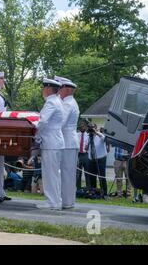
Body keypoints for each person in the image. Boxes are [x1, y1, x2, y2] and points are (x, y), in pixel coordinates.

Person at [35, 78, 65, 210]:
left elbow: (42, 121)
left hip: (50, 142)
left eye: (43, 88)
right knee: (54, 174)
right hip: (55, 141)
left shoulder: (51, 102)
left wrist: (35, 135)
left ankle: (52, 202)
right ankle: (56, 201)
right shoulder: (57, 101)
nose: (42, 90)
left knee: (50, 174)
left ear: (48, 89)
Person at [56, 76, 80, 210]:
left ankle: (65, 201)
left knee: (65, 173)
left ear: (66, 89)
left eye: (59, 88)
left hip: (67, 142)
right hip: (70, 142)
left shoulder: (67, 104)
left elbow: (61, 122)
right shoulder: (71, 102)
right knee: (68, 174)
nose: (58, 91)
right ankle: (69, 201)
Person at [86, 124, 108, 197]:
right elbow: (86, 148)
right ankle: (93, 192)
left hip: (101, 158)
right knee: (92, 177)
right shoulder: (89, 137)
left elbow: (104, 138)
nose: (91, 131)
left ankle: (104, 193)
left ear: (96, 129)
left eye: (93, 129)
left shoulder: (100, 135)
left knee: (101, 177)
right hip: (91, 159)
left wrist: (96, 132)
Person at [76, 123, 90, 190]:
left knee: (87, 172)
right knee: (78, 173)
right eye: (80, 127)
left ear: (85, 127)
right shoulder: (76, 135)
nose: (81, 128)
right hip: (78, 155)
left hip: (85, 154)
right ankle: (78, 189)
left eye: (83, 126)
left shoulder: (88, 135)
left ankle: (88, 188)